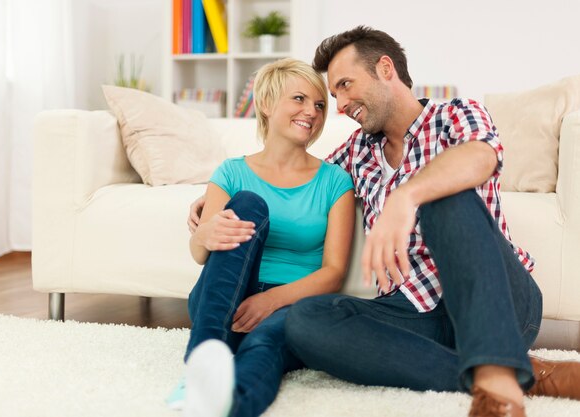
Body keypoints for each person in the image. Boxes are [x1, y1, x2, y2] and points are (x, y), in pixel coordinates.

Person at [190, 27, 580, 417]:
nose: (339, 105)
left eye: (345, 85)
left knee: (443, 197)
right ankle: (527, 373)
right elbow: (303, 179)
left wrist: (408, 196)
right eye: (335, 96)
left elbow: (481, 158)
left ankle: (499, 383)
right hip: (411, 310)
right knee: (307, 321)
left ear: (385, 68)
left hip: (498, 298)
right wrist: (217, 195)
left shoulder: (455, 114)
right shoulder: (358, 151)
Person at [174, 58, 355, 417]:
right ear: (268, 105)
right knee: (249, 204)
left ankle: (226, 404)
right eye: (300, 99)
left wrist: (270, 300)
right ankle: (202, 361)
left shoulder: (335, 181)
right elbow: (200, 255)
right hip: (222, 297)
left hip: (289, 304)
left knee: (263, 343)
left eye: (319, 105)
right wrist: (204, 234)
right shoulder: (232, 172)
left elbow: (333, 272)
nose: (312, 112)